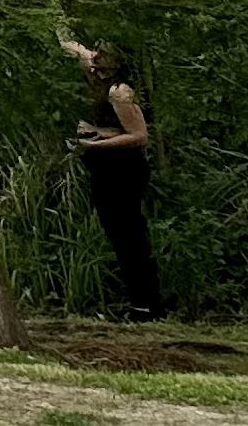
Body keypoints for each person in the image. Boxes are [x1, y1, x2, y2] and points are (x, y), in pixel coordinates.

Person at [64, 30, 165, 320]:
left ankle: (146, 304)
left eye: (104, 53)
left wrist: (93, 143)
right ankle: (141, 302)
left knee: (129, 236)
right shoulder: (101, 76)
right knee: (118, 235)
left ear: (118, 60)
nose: (96, 56)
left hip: (122, 170)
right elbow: (79, 53)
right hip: (106, 168)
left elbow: (139, 135)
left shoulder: (120, 92)